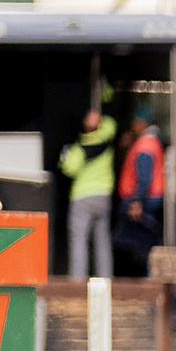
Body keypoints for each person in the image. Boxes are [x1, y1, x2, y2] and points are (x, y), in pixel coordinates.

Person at [58, 101, 119, 278]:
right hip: (103, 195)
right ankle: (105, 280)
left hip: (82, 196)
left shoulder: (78, 148)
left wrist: (65, 155)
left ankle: (78, 282)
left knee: (79, 241)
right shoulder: (106, 135)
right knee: (102, 242)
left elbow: (69, 169)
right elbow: (111, 123)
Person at [111, 110, 165, 279]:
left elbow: (144, 177)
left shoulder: (145, 145)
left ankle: (143, 285)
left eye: (134, 122)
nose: (132, 126)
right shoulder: (150, 142)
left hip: (144, 202)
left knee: (139, 247)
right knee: (142, 246)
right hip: (148, 201)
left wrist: (136, 201)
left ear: (142, 122)